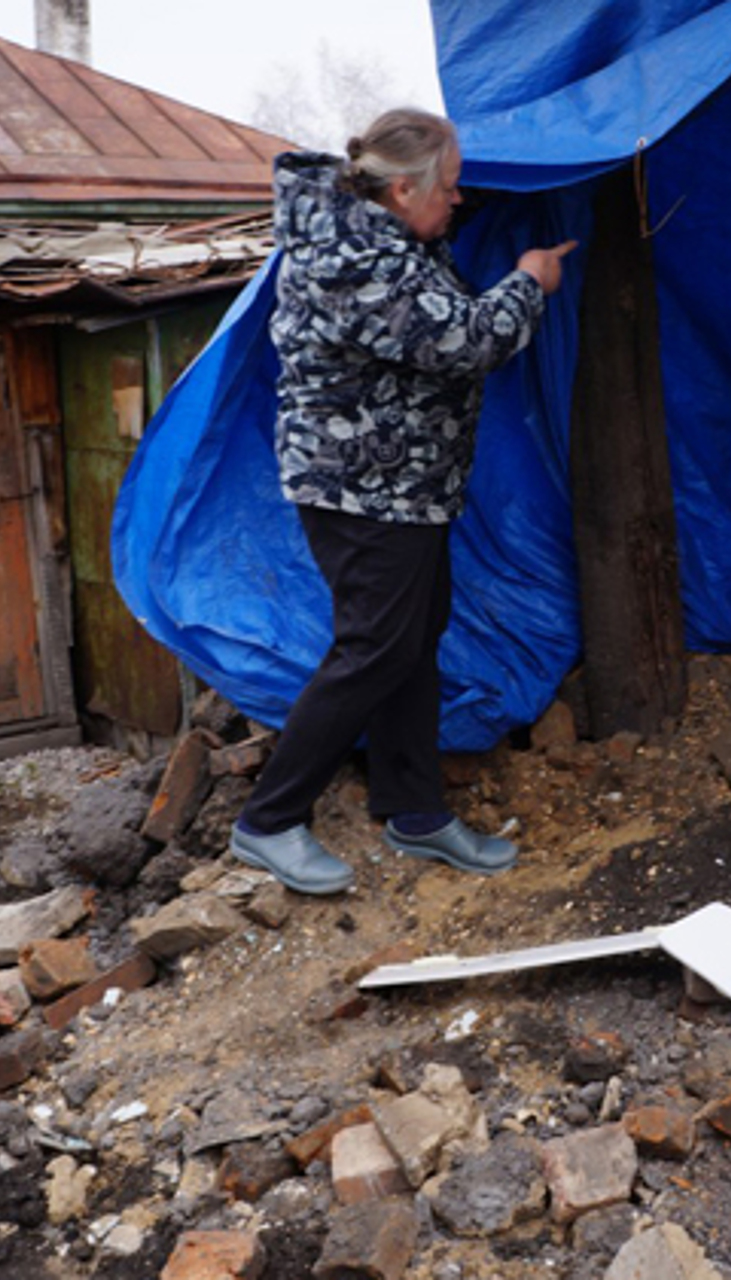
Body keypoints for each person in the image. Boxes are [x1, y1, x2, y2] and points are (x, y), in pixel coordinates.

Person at [229, 108, 575, 895]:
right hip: (361, 491)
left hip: (404, 487)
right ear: (404, 187)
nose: (456, 202)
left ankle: (415, 810)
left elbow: (431, 290)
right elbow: (465, 341)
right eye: (448, 188)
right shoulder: (357, 259)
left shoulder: (382, 238)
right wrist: (529, 279)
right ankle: (268, 821)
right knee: (375, 647)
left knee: (415, 637)